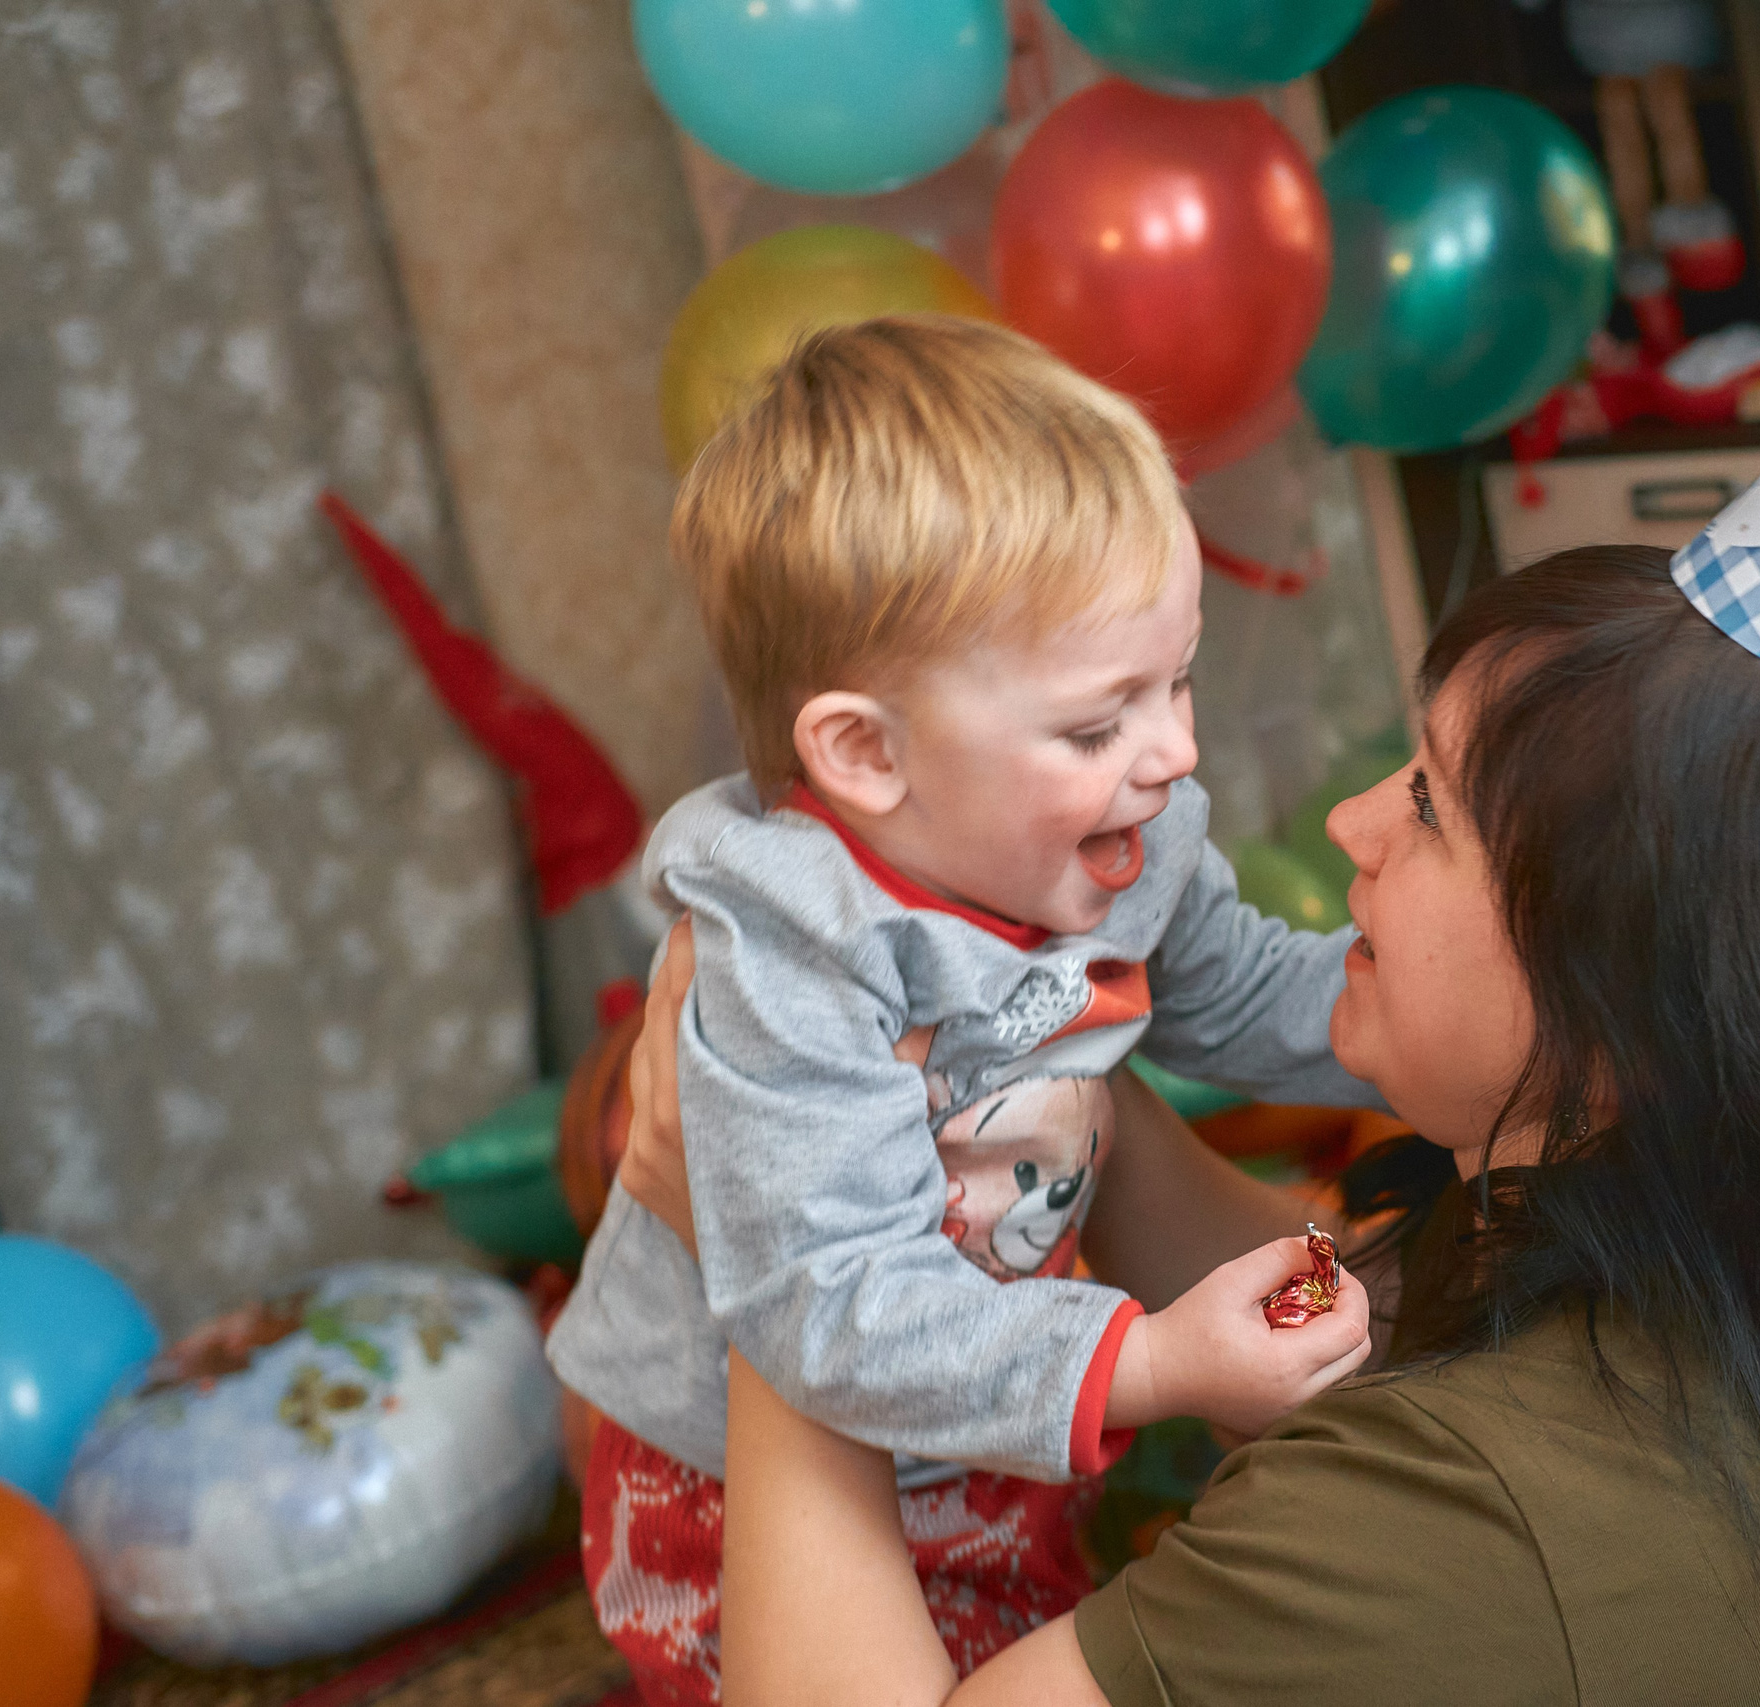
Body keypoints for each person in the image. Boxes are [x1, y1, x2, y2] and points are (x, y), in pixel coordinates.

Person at [618, 235, 1760, 1705]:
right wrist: (1037, 1101)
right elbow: (1352, 1295)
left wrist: (754, 1242)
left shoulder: (1446, 1511)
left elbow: (1213, 1093)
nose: (1338, 819)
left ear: (1625, 1016)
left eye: (1431, 808)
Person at [545, 315, 1376, 1701]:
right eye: (1098, 722)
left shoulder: (1119, 841)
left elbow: (1246, 997)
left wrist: (1506, 1016)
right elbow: (837, 1307)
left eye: (1179, 678)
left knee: (1041, 1629)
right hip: (730, 1475)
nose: (1174, 752)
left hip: (990, 1401)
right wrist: (1155, 1361)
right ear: (866, 753)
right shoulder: (795, 954)